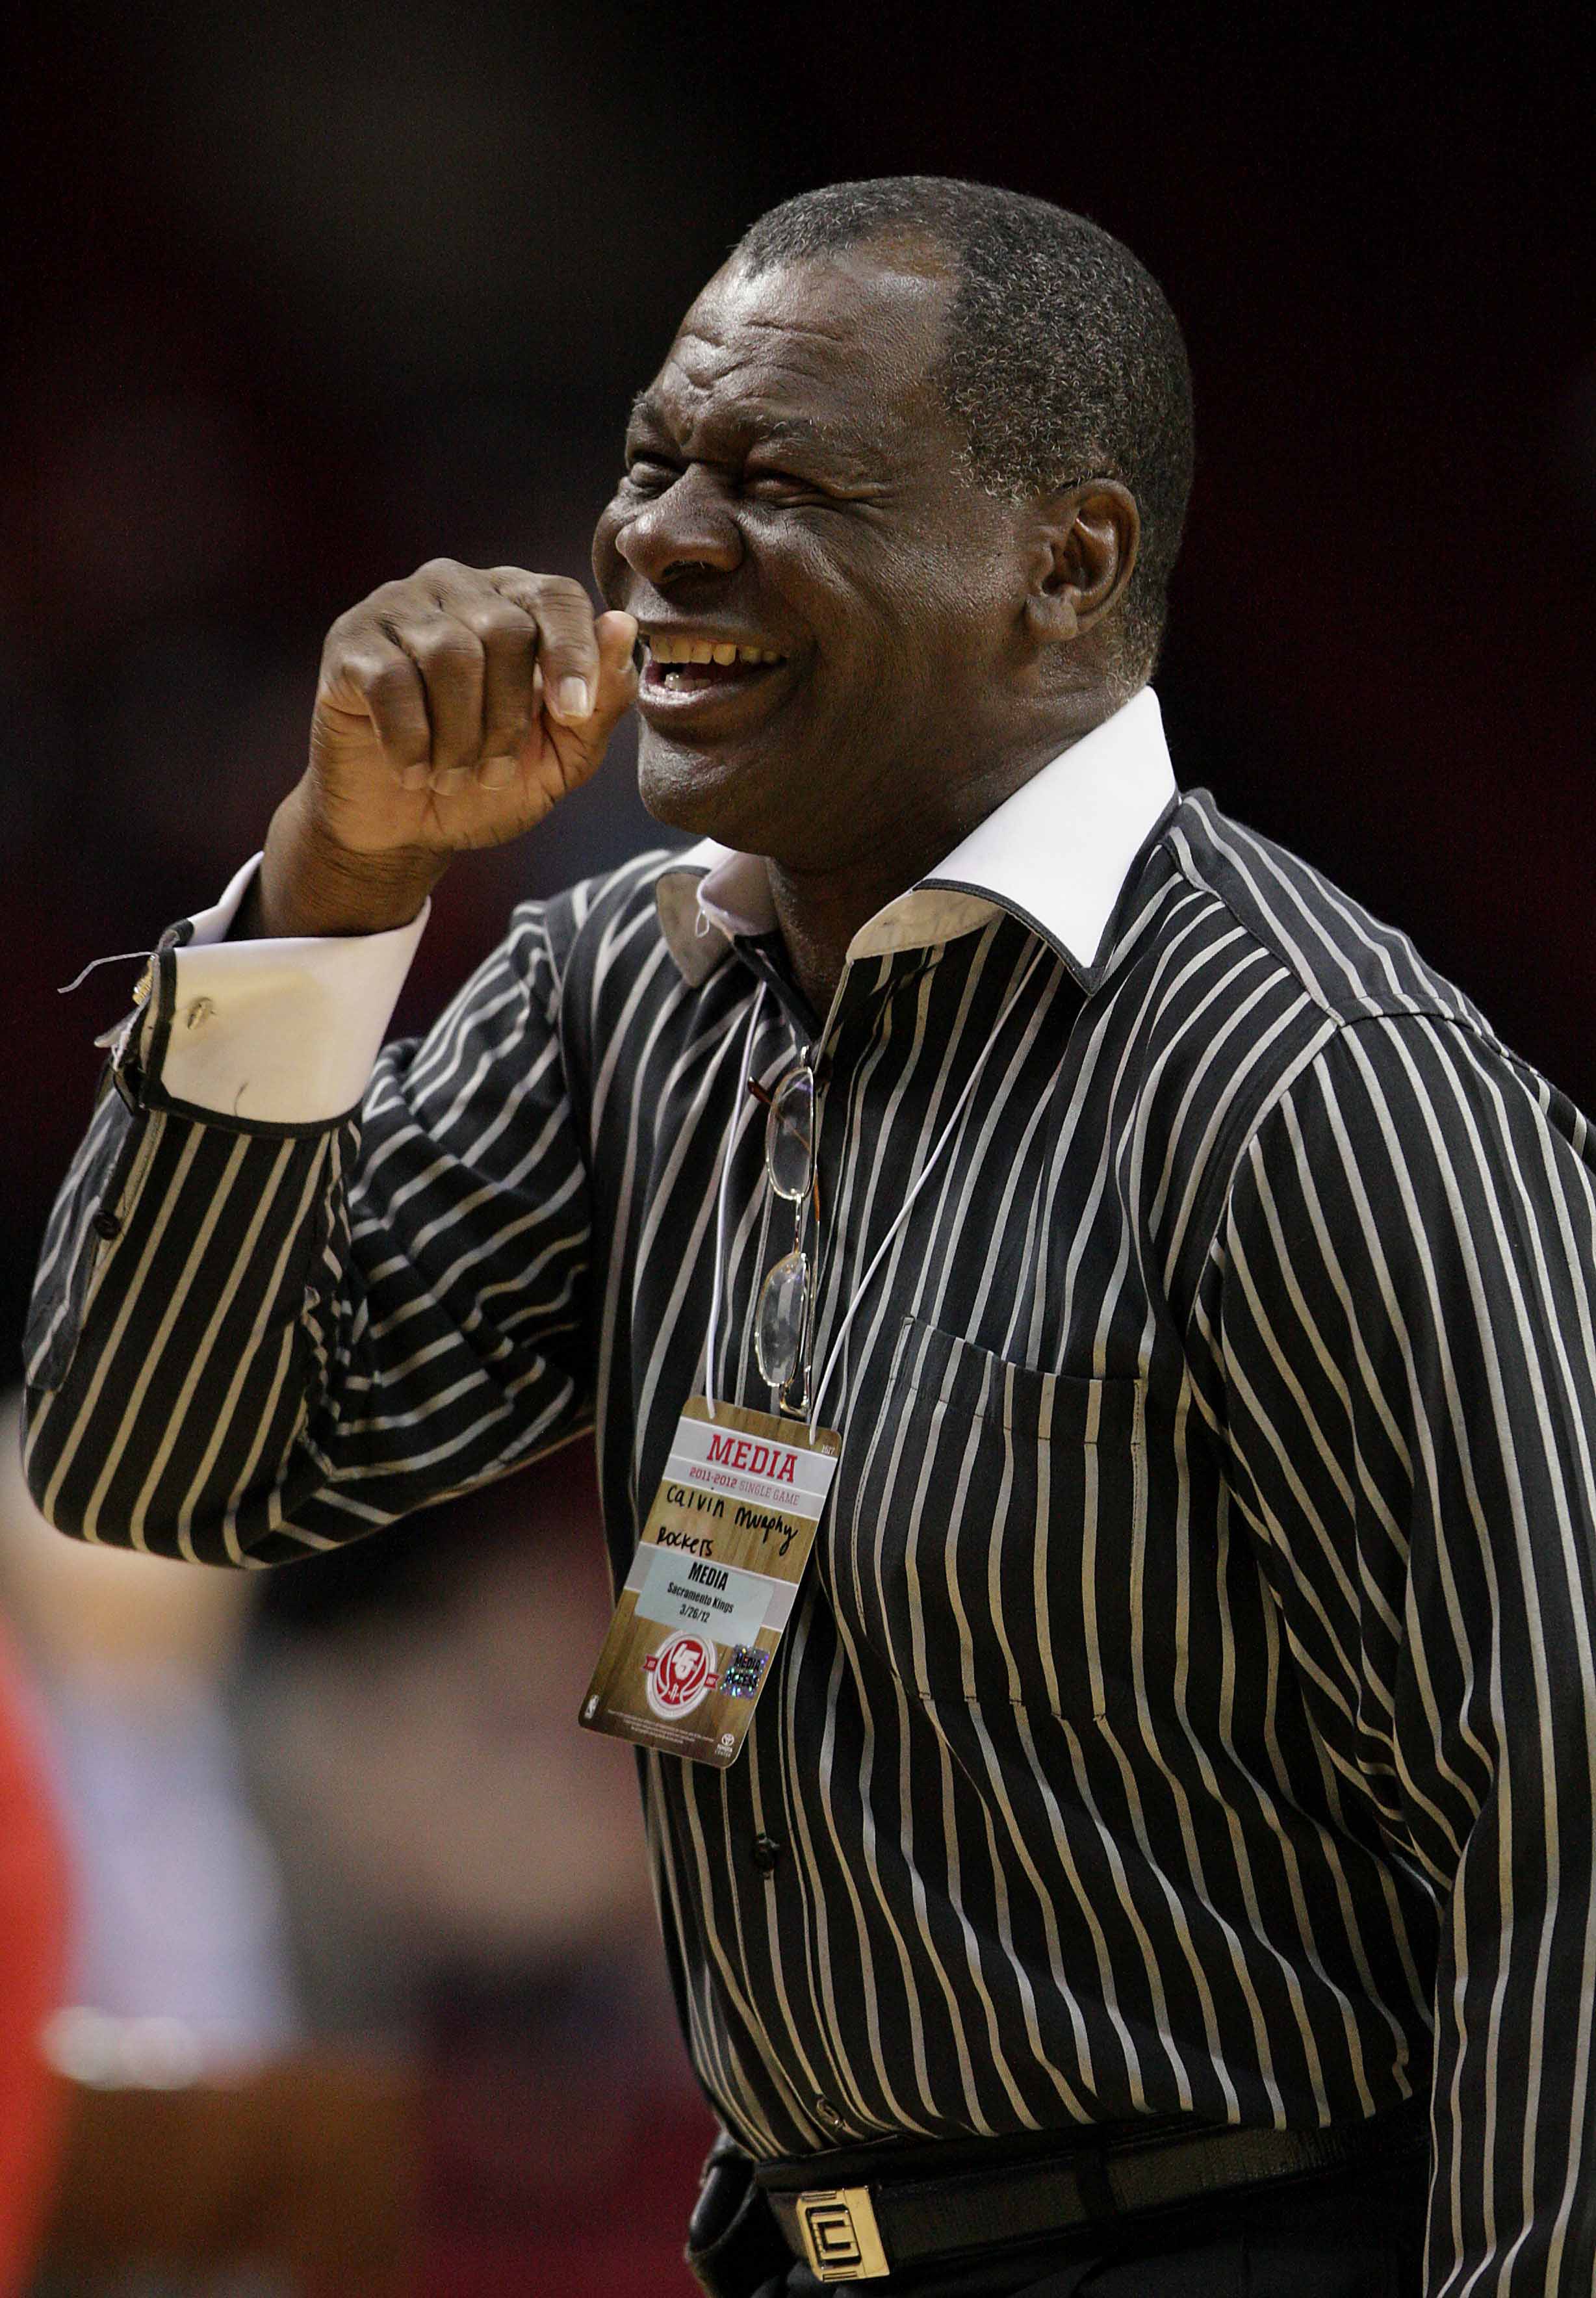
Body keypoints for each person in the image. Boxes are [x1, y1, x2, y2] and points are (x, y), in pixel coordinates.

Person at [19, 177, 1595, 2296]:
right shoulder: (616, 997)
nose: (661, 540)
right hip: (798, 2249)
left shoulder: (1318, 1083)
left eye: (784, 483)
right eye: (656, 459)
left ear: (1066, 564)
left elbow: (1565, 1845)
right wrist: (333, 889)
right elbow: (156, 1464)